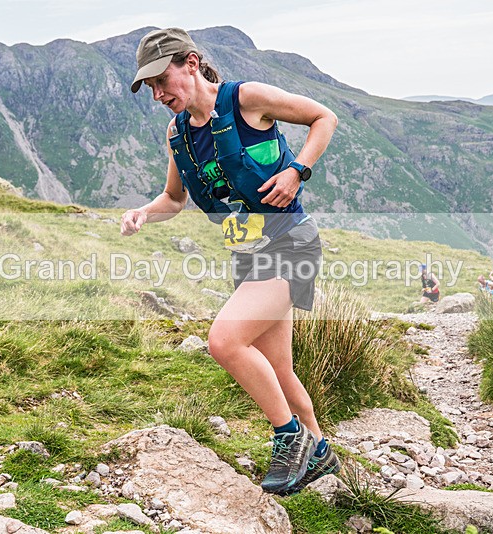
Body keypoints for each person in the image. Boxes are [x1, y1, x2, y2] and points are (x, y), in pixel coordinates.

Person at [120, 28, 339, 495]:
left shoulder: (247, 99)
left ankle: (290, 437)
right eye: (150, 88)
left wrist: (297, 171)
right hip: (250, 256)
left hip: (291, 245)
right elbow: (174, 199)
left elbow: (324, 117)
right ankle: (319, 453)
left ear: (191, 63)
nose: (158, 94)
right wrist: (143, 212)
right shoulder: (177, 133)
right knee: (276, 368)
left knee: (223, 341)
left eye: (162, 79)